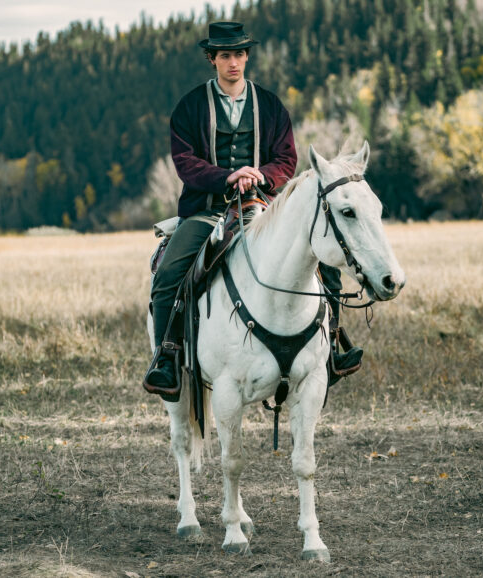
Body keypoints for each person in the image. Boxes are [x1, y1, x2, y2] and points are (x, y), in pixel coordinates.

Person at [143, 21, 362, 401]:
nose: (234, 62)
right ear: (211, 58)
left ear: (247, 56)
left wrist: (261, 174)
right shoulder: (190, 107)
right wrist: (228, 176)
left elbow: (287, 159)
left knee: (323, 258)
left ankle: (334, 346)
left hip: (265, 208)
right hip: (207, 211)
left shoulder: (272, 106)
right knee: (168, 274)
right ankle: (167, 357)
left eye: (240, 54)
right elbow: (184, 163)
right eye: (225, 55)